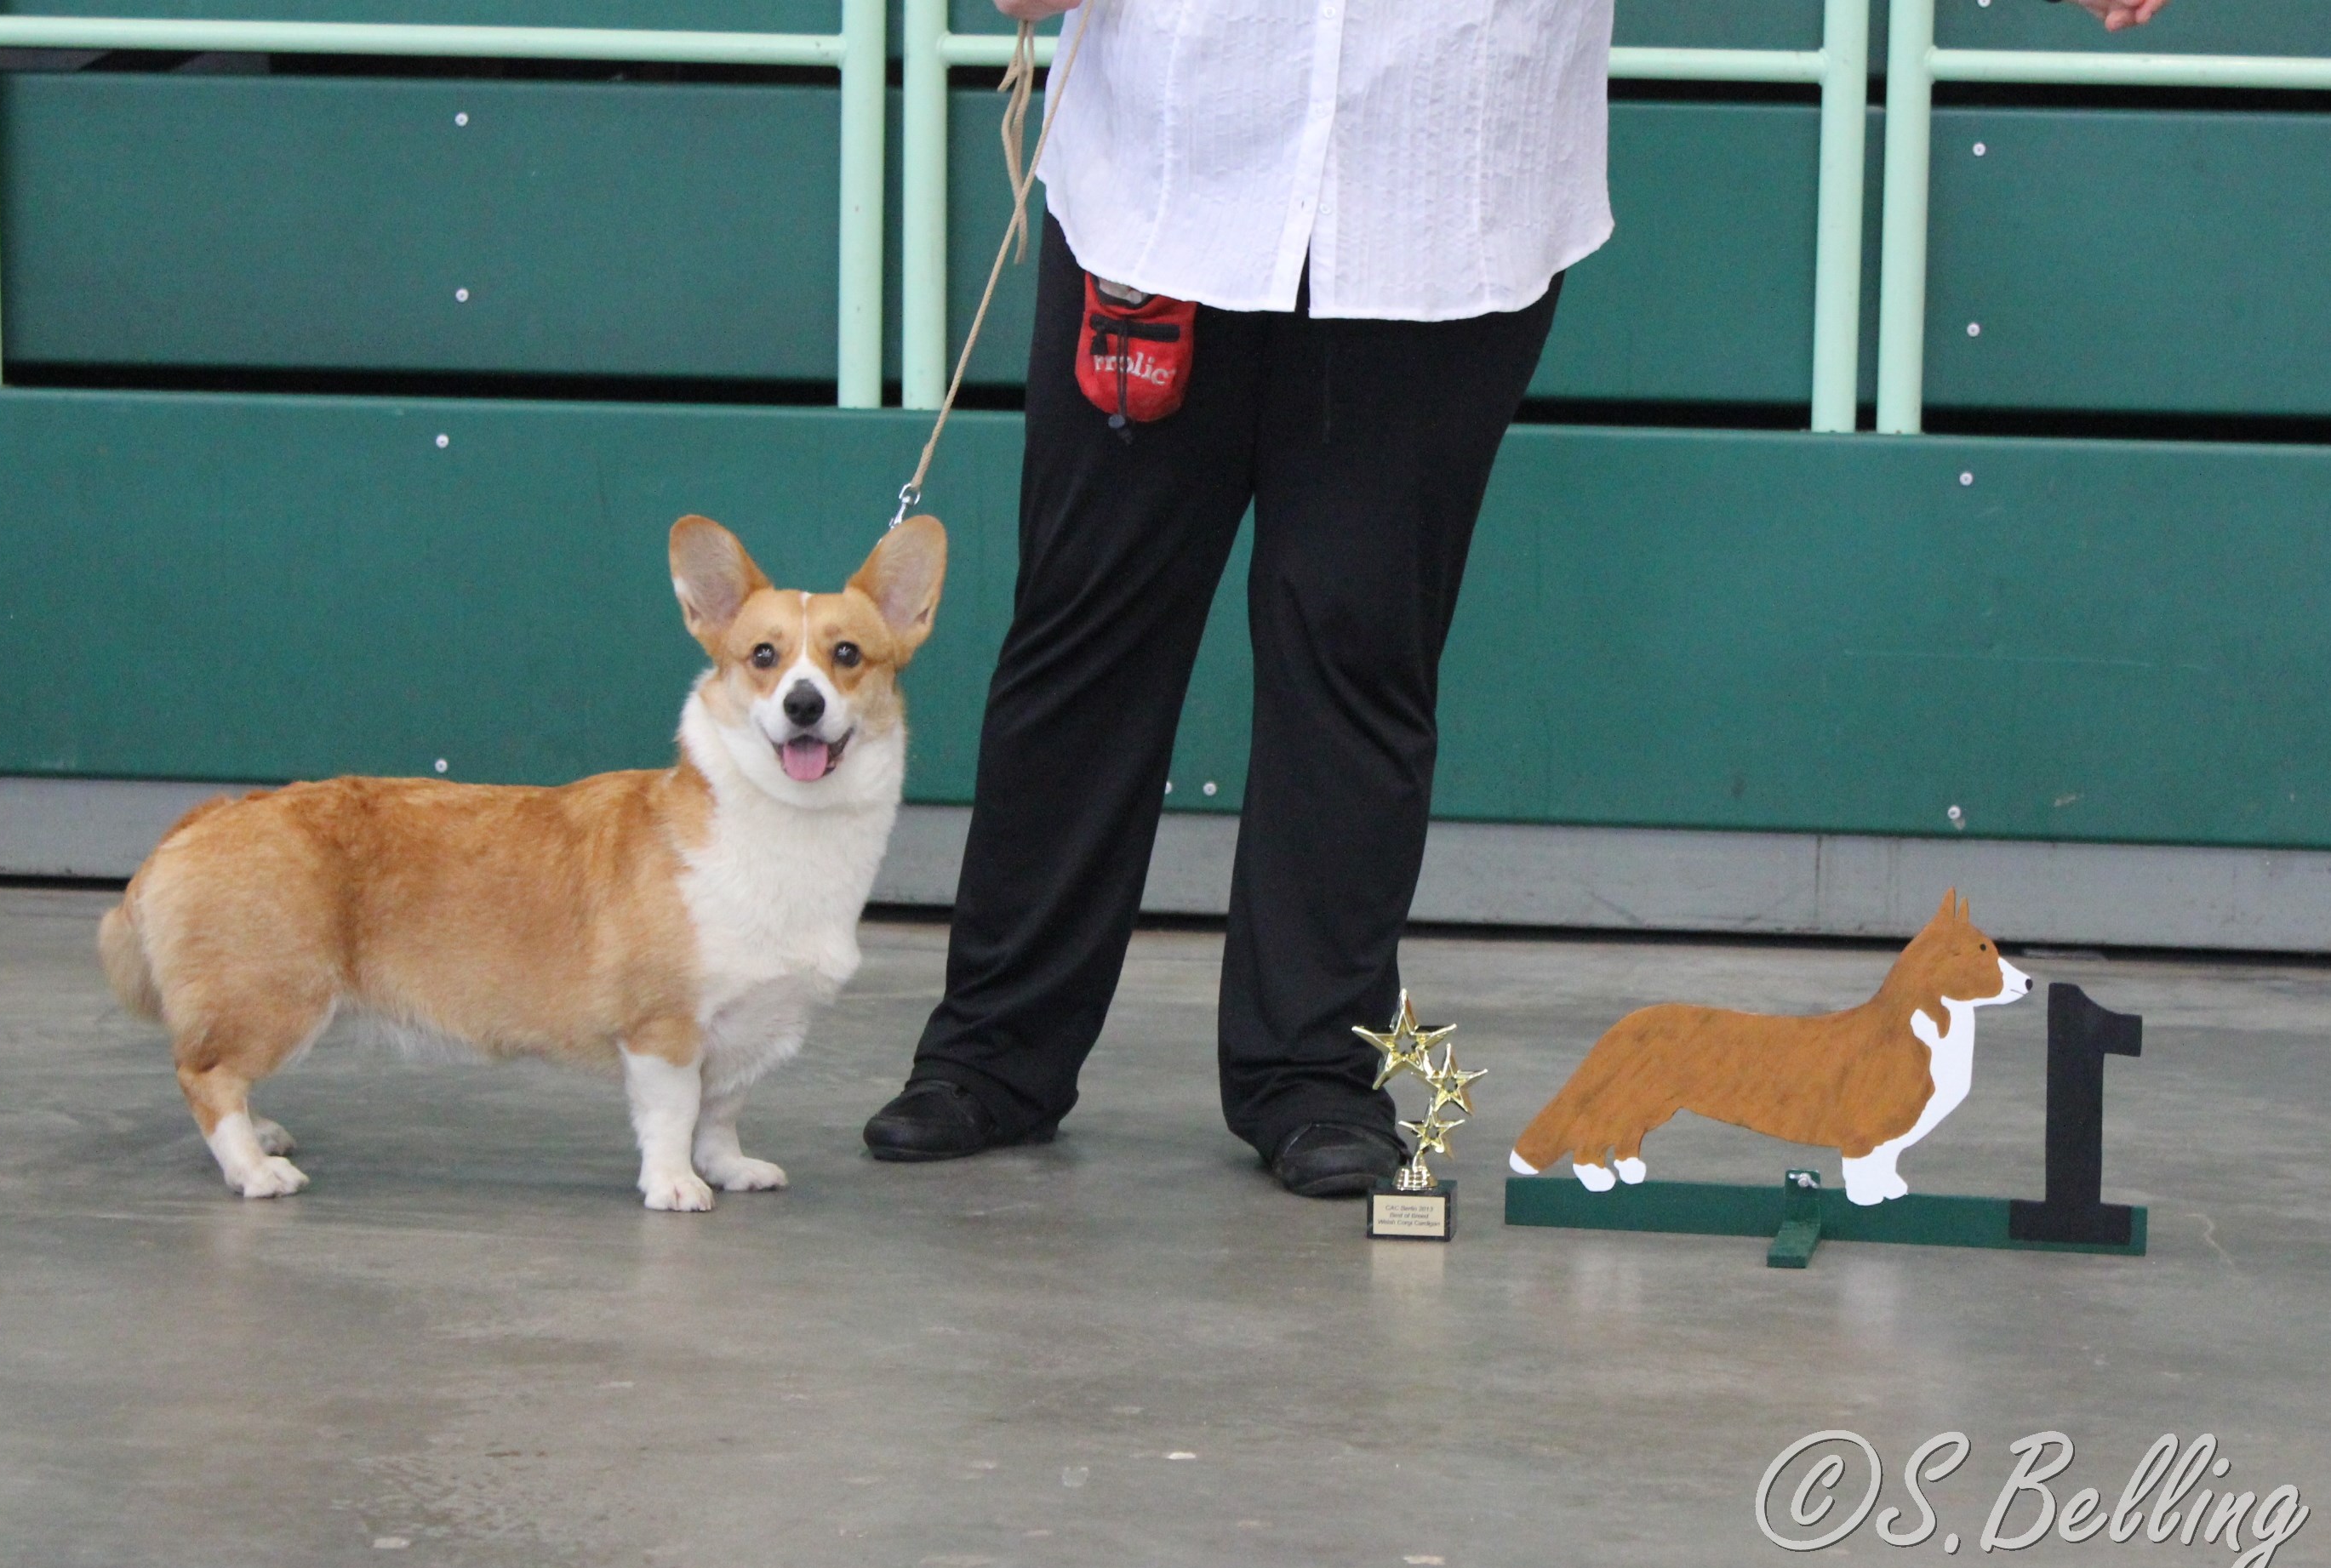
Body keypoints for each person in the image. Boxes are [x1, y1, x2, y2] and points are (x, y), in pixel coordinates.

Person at [863, 0, 2173, 1195]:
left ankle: (1311, 1068)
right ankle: (994, 1049)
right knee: (1088, 629)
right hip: (1170, 162)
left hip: (1440, 175)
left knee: (1356, 639)